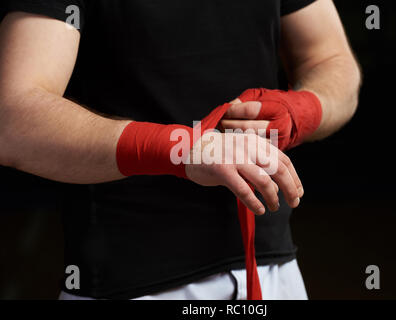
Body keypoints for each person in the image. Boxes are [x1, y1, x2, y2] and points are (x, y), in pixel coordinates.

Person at [0, 0, 360, 300]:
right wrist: (181, 148)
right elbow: (12, 120)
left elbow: (330, 59)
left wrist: (304, 110)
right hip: (133, 284)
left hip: (274, 274)